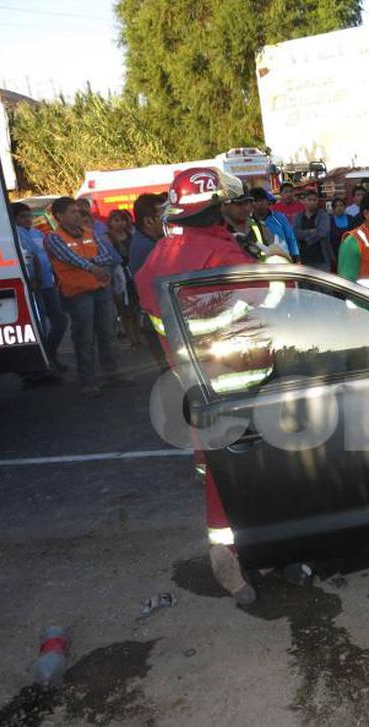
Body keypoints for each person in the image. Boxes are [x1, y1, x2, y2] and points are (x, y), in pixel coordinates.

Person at [134, 167, 261, 606]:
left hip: (194, 389)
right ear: (219, 208)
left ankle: (228, 556)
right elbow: (272, 308)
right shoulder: (226, 259)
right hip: (244, 386)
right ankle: (237, 558)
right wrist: (278, 268)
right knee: (250, 477)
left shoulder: (159, 256)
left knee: (214, 475)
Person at [45, 197, 130, 396]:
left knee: (107, 332)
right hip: (78, 294)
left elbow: (107, 256)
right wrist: (93, 266)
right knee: (84, 337)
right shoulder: (54, 238)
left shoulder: (90, 233)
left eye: (78, 210)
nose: (79, 214)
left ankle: (113, 372)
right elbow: (69, 258)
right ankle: (88, 381)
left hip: (101, 288)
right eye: (73, 211)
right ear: (59, 216)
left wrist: (90, 262)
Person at [12, 202, 68, 375]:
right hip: (33, 286)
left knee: (60, 320)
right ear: (14, 219)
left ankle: (50, 354)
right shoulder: (16, 235)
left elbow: (48, 256)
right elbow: (32, 257)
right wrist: (35, 279)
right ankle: (41, 365)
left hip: (48, 283)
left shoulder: (37, 233)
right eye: (23, 216)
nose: (28, 219)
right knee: (40, 324)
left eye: (29, 216)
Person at [127, 193, 169, 369]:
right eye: (162, 216)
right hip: (158, 322)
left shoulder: (152, 241)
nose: (166, 220)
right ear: (148, 221)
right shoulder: (146, 247)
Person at [106, 209, 142, 350]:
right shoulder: (107, 237)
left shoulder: (131, 235)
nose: (120, 223)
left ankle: (138, 337)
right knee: (125, 310)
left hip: (133, 274)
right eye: (116, 220)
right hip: (119, 276)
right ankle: (132, 339)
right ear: (110, 222)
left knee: (136, 309)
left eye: (122, 220)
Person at [222, 189, 277, 259]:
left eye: (246, 203)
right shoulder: (219, 232)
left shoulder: (261, 227)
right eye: (239, 204)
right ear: (225, 205)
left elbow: (276, 255)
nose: (245, 208)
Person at [250, 187, 299, 261]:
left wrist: (296, 256)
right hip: (259, 264)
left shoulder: (279, 217)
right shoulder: (248, 222)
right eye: (256, 201)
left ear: (267, 201)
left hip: (283, 259)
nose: (260, 203)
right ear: (251, 204)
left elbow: (290, 238)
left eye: (262, 200)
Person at [293, 190, 332, 270]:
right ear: (304, 201)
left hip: (321, 258)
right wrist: (312, 231)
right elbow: (296, 233)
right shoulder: (298, 216)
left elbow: (323, 232)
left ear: (318, 201)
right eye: (309, 200)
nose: (312, 202)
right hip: (303, 259)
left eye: (314, 200)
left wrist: (307, 239)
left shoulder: (323, 215)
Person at [328, 197, 358, 270]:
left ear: (345, 207)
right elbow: (328, 239)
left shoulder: (350, 218)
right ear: (333, 208)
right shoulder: (329, 220)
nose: (339, 208)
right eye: (336, 206)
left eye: (341, 205)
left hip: (350, 251)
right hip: (335, 252)